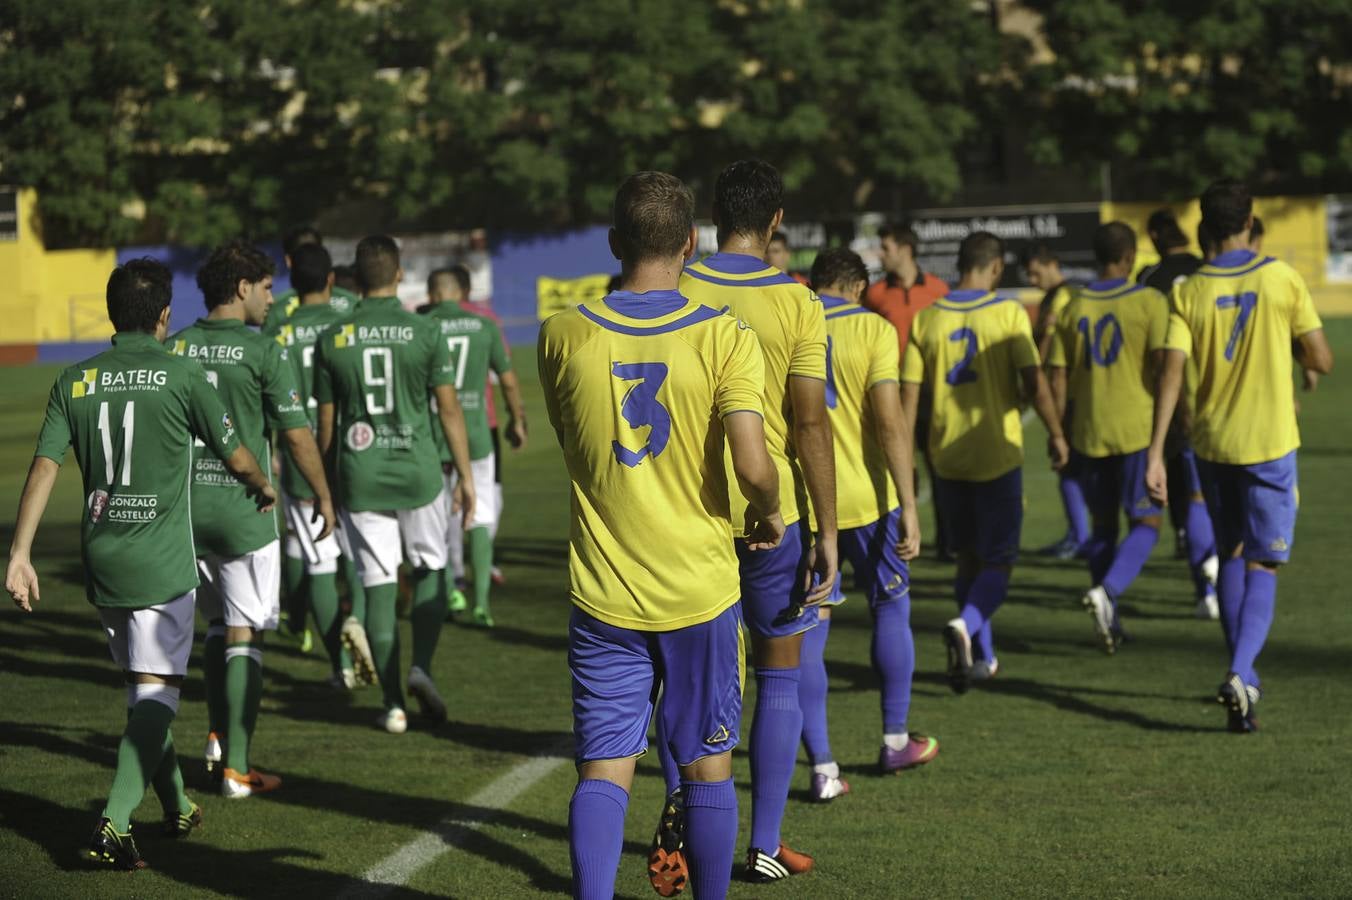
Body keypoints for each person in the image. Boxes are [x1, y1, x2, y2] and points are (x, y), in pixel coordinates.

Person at [539, 171, 782, 900]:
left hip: (604, 588)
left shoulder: (562, 334)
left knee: (605, 766)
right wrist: (766, 513)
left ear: (615, 243)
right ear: (690, 242)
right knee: (709, 764)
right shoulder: (722, 336)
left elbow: (573, 442)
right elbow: (753, 464)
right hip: (699, 590)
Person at [6, 258, 275, 869]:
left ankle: (177, 804)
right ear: (163, 317)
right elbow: (236, 455)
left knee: (144, 692)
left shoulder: (73, 381)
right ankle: (112, 822)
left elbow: (45, 465)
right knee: (157, 696)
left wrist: (20, 553)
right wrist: (264, 487)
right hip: (160, 563)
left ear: (110, 313)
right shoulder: (182, 376)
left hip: (103, 560)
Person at [678, 159, 837, 882]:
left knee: (684, 678)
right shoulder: (799, 303)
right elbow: (810, 424)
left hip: (688, 512)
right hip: (774, 513)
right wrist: (827, 531)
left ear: (712, 216)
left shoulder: (675, 286)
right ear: (777, 223)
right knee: (780, 668)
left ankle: (684, 812)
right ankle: (765, 843)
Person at [1146, 179, 1334, 733]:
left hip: (1211, 442)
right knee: (1263, 561)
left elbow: (1171, 376)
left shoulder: (1190, 290)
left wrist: (1156, 451)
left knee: (1229, 554)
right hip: (1270, 442)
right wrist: (1300, 357)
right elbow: (1321, 356)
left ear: (1205, 229)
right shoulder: (1279, 276)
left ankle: (1243, 690)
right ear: (1250, 223)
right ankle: (1241, 671)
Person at [169, 241, 336, 797]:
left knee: (217, 627)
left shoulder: (177, 347)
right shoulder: (262, 349)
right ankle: (238, 768)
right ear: (242, 287)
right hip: (246, 509)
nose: (271, 297)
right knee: (247, 634)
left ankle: (216, 738)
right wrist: (322, 494)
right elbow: (294, 433)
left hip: (187, 513)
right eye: (266, 287)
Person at [313, 235, 476, 735]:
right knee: (430, 568)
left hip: (360, 473)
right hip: (420, 471)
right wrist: (466, 477)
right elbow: (448, 409)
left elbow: (326, 427)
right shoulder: (424, 332)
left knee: (378, 586)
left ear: (355, 280)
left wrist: (326, 490)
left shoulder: (332, 338)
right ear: (400, 273)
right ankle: (420, 667)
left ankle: (391, 705)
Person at [902, 232, 1068, 692]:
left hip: (948, 459)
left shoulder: (927, 318)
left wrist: (906, 461)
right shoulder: (1009, 313)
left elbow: (908, 398)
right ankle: (966, 625)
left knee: (967, 560)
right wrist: (1056, 433)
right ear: (995, 268)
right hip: (997, 457)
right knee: (998, 563)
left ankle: (982, 657)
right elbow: (1034, 383)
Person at [800, 247, 936, 804]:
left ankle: (822, 767)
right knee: (891, 607)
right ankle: (894, 738)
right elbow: (889, 421)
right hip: (870, 501)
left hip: (807, 504)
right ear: (857, 287)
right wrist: (910, 501)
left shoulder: (792, 324)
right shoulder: (874, 330)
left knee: (809, 633)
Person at [1048, 223, 1170, 652]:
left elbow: (1058, 375)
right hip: (1136, 430)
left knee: (1102, 529)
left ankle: (1108, 621)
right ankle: (1109, 593)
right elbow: (1160, 365)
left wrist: (1058, 430)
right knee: (1148, 521)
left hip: (1087, 432)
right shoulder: (1150, 301)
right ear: (1130, 255)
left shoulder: (1073, 306)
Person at [272, 243, 370, 687]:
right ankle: (364, 626)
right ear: (332, 279)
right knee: (367, 554)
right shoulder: (348, 320)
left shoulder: (279, 329)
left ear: (293, 285)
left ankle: (340, 667)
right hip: (352, 450)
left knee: (319, 565)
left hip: (301, 459)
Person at [423, 267, 527, 628]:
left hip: (434, 436)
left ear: (432, 294)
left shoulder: (421, 326)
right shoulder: (483, 326)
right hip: (478, 436)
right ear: (460, 294)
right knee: (478, 514)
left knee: (439, 517)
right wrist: (517, 419)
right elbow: (509, 381)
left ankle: (452, 586)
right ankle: (482, 601)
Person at [863, 222, 952, 560]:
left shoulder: (938, 290)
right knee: (893, 466)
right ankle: (894, 539)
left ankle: (947, 542)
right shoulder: (874, 294)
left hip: (930, 391)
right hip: (887, 391)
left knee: (938, 465)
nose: (880, 254)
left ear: (905, 249)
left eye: (885, 247)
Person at [1024, 243, 1089, 560]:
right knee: (1067, 465)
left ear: (1049, 264)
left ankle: (1080, 537)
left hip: (1066, 392)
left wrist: (1031, 372)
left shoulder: (1064, 297)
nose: (1033, 280)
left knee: (1066, 463)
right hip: (1062, 389)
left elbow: (1050, 346)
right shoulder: (1056, 297)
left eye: (1035, 272)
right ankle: (1077, 534)